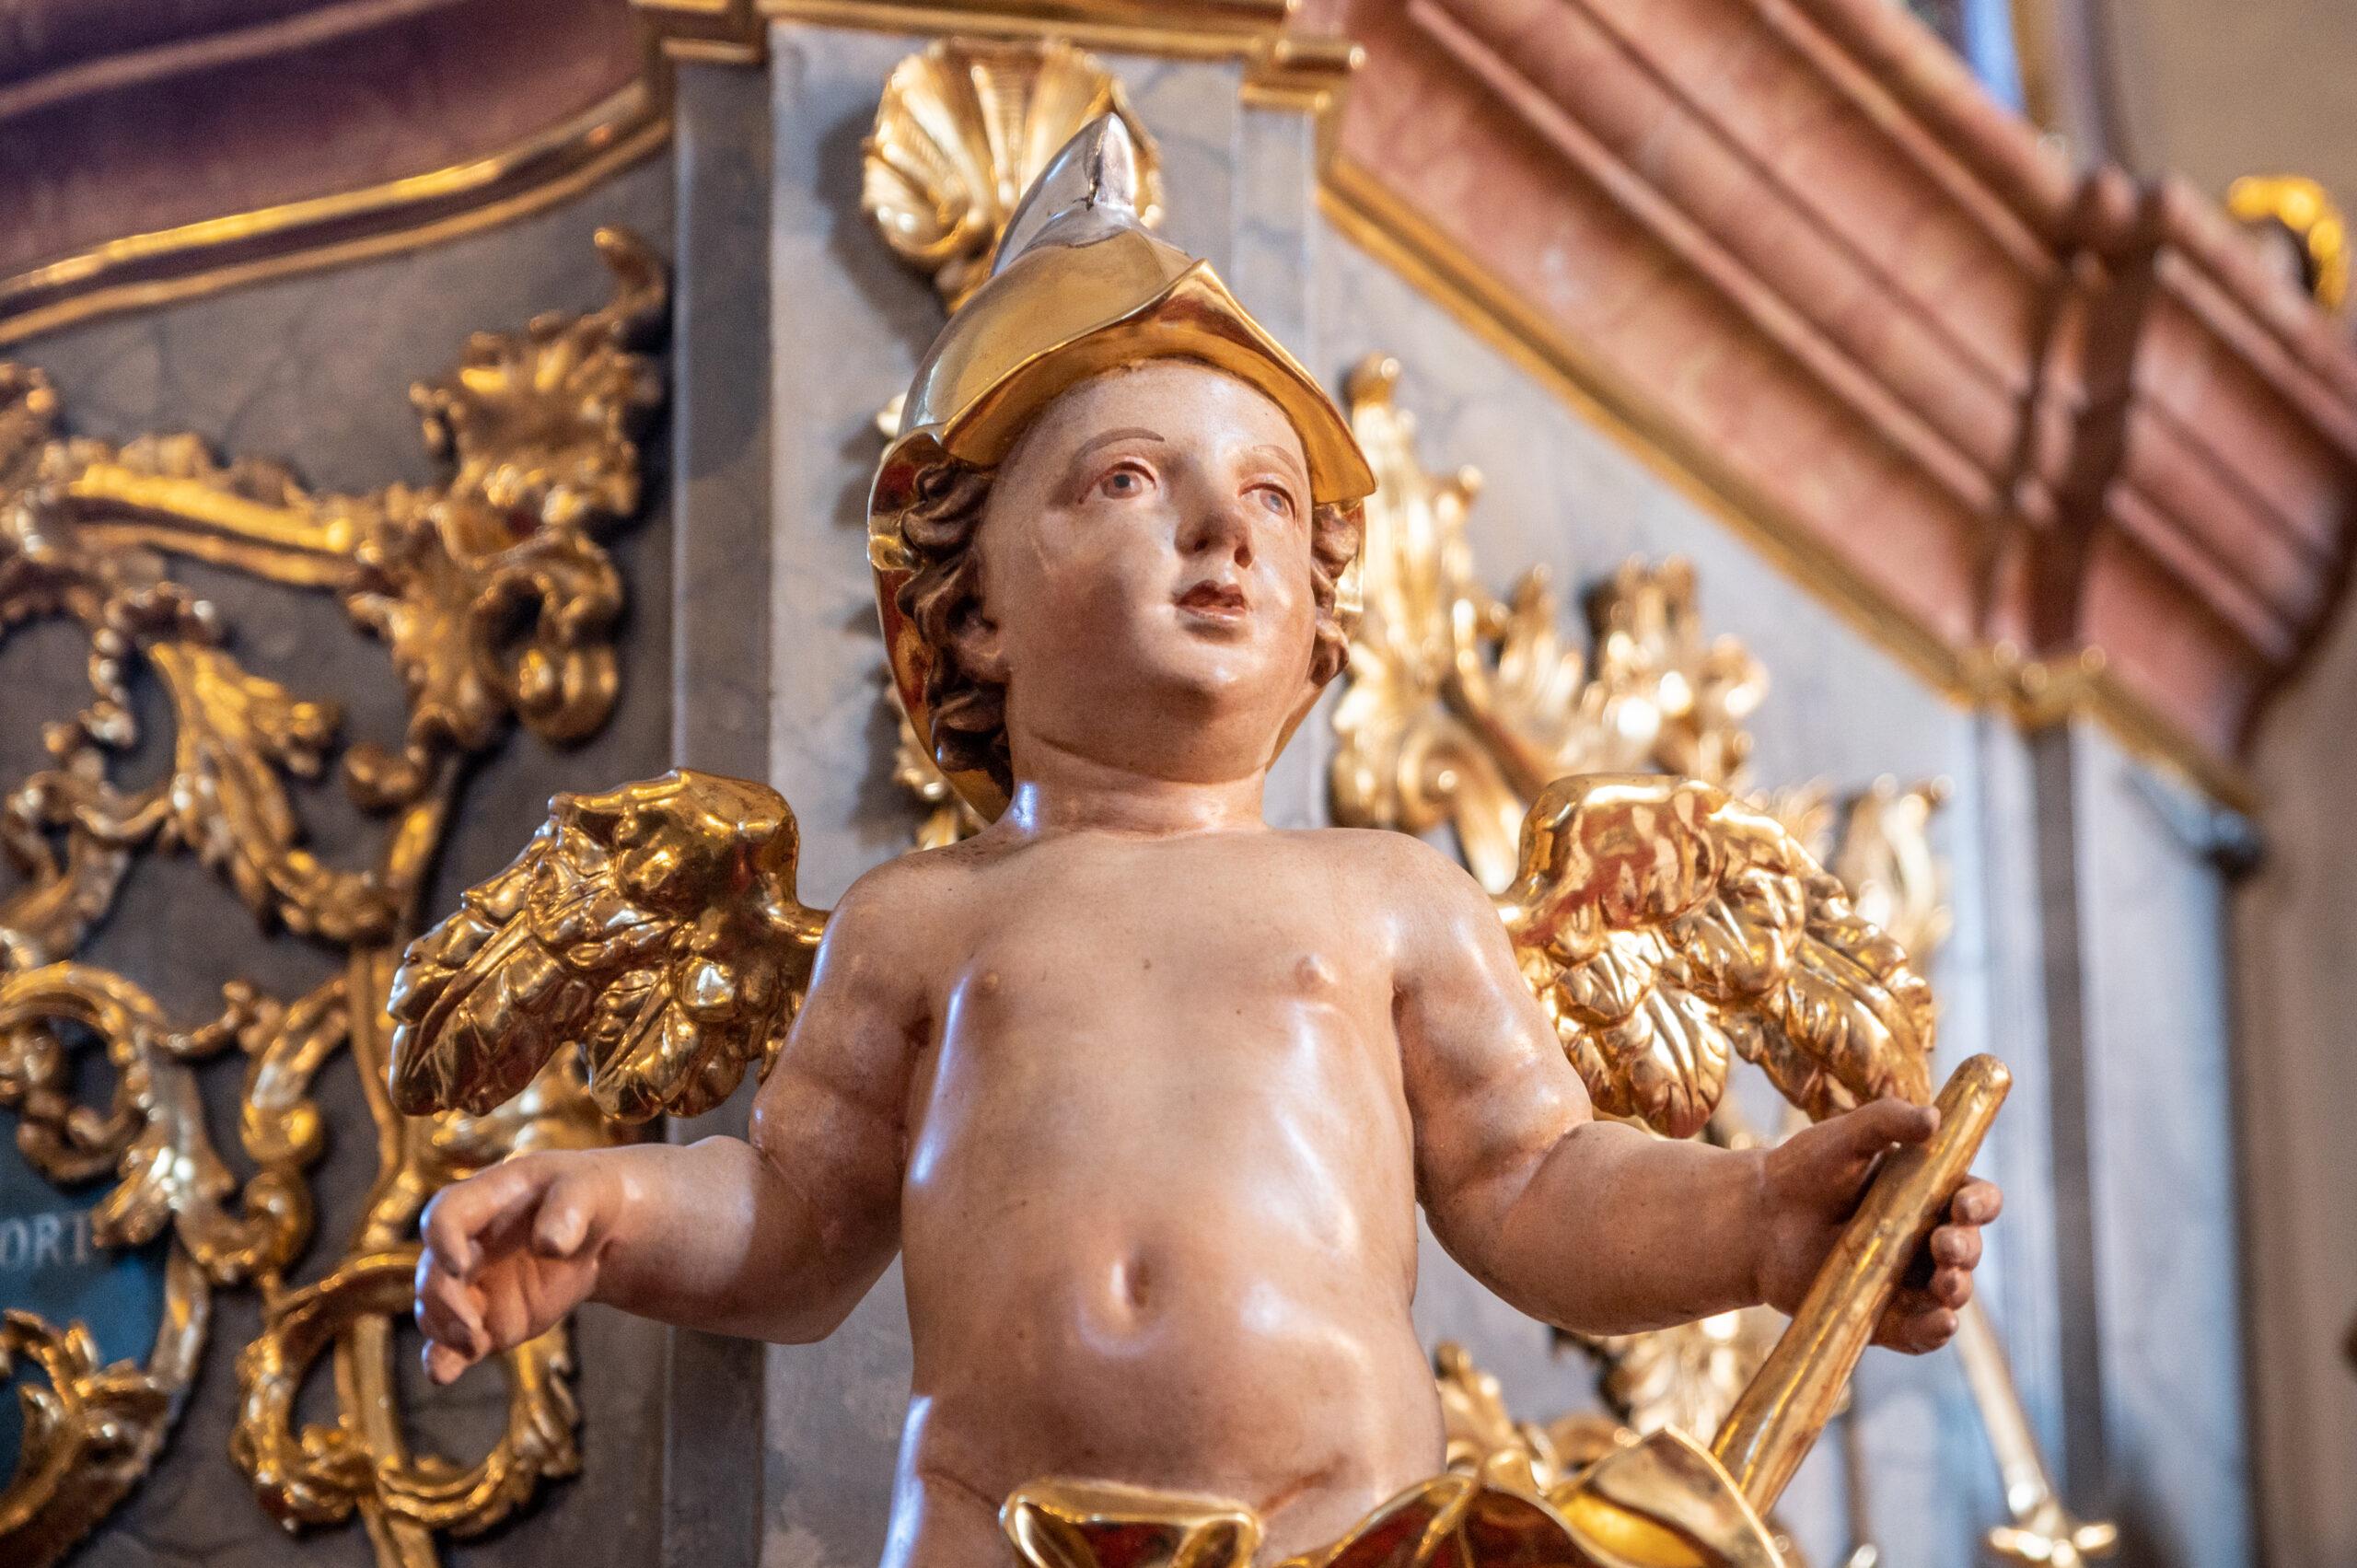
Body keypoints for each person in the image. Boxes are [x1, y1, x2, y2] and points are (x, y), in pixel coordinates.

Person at [411, 118, 1998, 1568]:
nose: (1225, 530)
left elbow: (1539, 1183)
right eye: (1126, 480)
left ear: (1319, 623)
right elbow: (794, 1224)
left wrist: (1761, 1222)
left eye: (1273, 501)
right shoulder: (919, 923)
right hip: (988, 1532)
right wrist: (610, 1219)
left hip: (1335, 1523)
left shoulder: (1387, 899)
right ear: (973, 610)